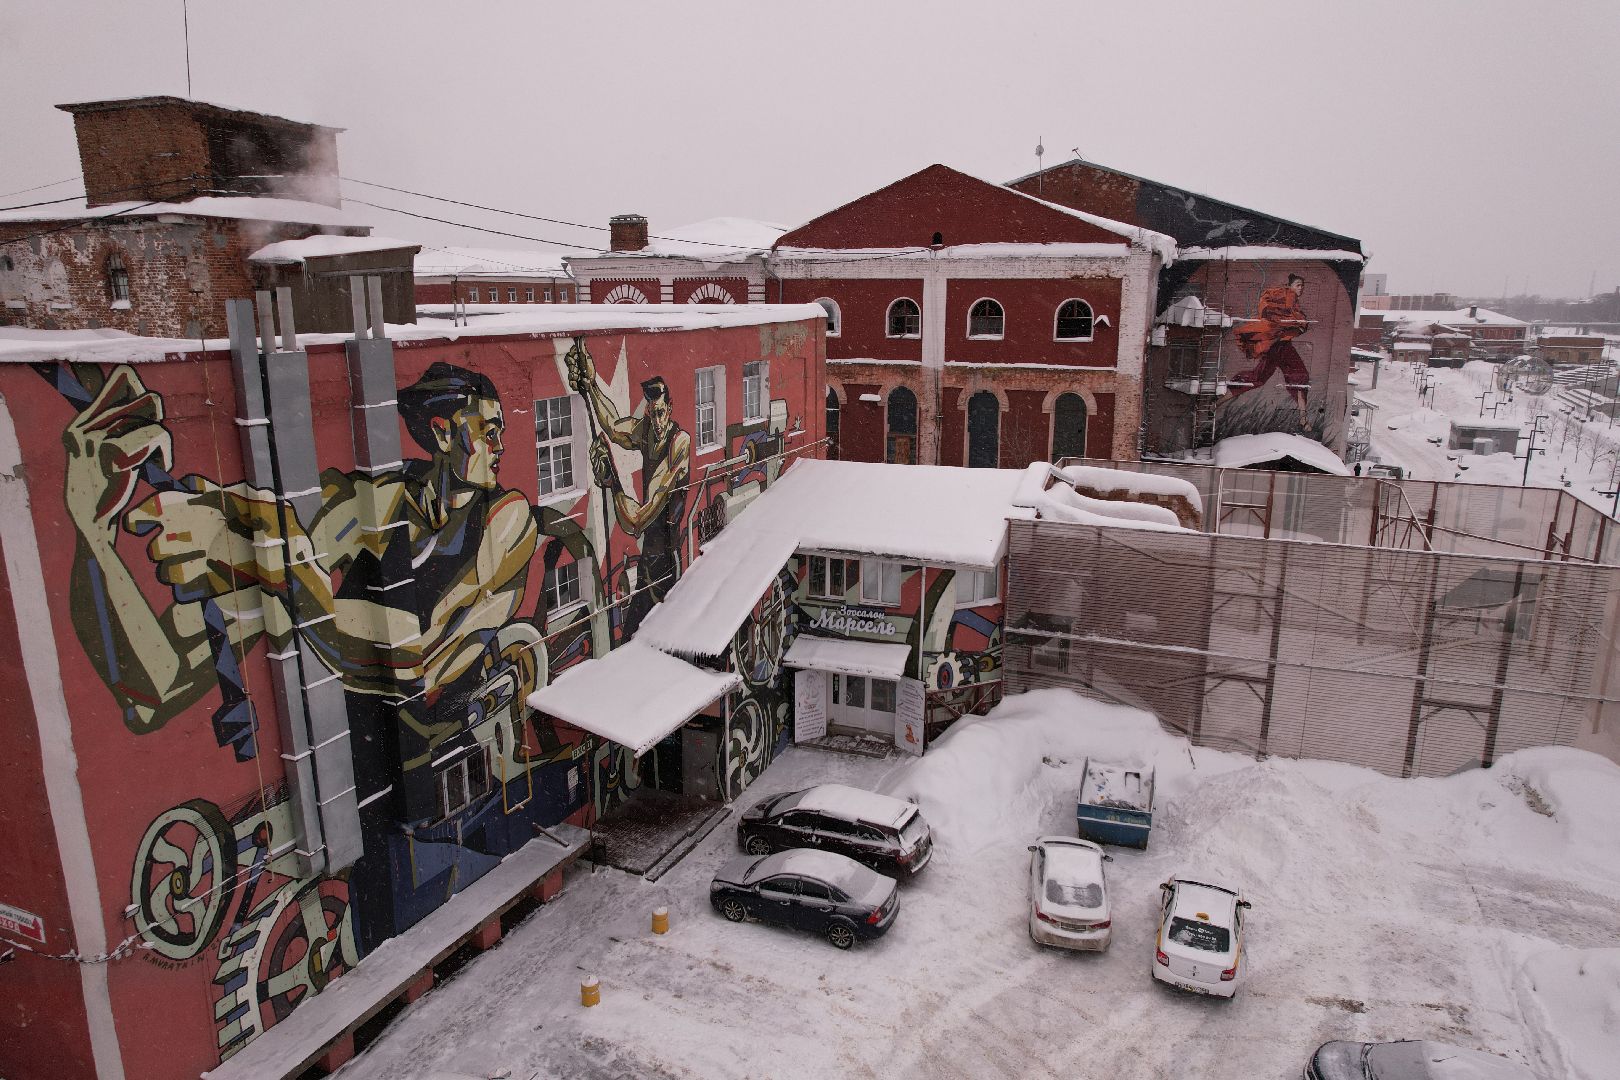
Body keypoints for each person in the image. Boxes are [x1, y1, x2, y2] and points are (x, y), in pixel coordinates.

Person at [64, 361, 539, 794]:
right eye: (488, 431)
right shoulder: (369, 503)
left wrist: (277, 555)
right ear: (441, 433)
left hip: (446, 777)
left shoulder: (507, 521)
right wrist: (94, 533)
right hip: (346, 782)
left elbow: (416, 656)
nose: (501, 447)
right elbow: (156, 684)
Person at [565, 338, 691, 638]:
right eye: (651, 413)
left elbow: (637, 519)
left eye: (660, 412)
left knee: (640, 634)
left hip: (666, 558)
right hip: (651, 553)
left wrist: (612, 482)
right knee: (636, 635)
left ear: (669, 409)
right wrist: (591, 383)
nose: (656, 420)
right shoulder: (645, 430)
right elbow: (611, 425)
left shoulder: (679, 444)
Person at [1225, 273, 1313, 428]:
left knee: (1257, 378)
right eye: (1298, 285)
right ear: (1290, 285)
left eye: (1302, 285)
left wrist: (1297, 323)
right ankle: (1303, 419)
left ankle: (1218, 401)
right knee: (1300, 377)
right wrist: (1298, 323)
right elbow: (1283, 318)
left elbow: (1283, 317)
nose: (1301, 288)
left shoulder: (1285, 298)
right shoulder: (1289, 296)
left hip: (1278, 346)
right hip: (1280, 346)